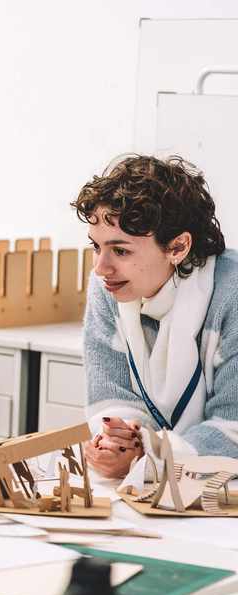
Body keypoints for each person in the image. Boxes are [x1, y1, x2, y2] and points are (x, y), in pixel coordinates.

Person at [74, 154, 237, 479]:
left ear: (178, 247)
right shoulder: (108, 286)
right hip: (160, 486)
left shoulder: (230, 295)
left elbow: (233, 430)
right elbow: (111, 399)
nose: (100, 267)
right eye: (96, 246)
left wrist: (149, 455)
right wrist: (117, 444)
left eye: (120, 251)